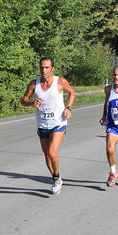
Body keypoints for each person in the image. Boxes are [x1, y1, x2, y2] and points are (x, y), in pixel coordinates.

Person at [21, 56, 75, 195]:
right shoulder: (34, 84)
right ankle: (56, 179)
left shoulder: (60, 81)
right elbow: (24, 100)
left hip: (58, 122)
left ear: (52, 68)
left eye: (47, 67)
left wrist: (68, 108)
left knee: (52, 152)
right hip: (42, 123)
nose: (44, 70)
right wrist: (31, 102)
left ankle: (56, 177)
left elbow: (72, 92)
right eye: (41, 67)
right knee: (46, 155)